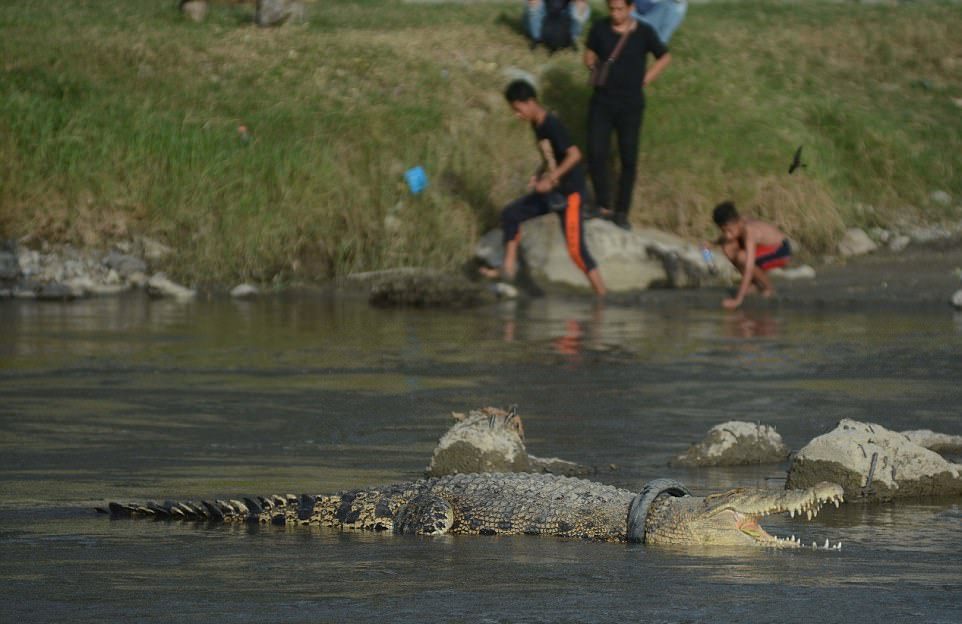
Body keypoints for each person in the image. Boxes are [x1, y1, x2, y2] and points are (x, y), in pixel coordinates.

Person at [481, 80, 607, 297]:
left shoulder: (552, 125)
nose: (517, 115)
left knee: (576, 251)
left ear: (530, 102)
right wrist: (540, 174)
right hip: (554, 192)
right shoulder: (537, 124)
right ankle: (508, 268)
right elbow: (552, 157)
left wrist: (551, 179)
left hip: (571, 194)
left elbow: (574, 155)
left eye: (518, 110)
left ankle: (602, 296)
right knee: (511, 214)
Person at [584, 0, 671, 230]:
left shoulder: (644, 32)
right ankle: (603, 204)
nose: (615, 13)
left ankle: (622, 211)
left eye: (620, 9)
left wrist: (645, 78)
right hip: (602, 101)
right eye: (611, 8)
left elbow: (664, 56)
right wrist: (592, 65)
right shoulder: (599, 28)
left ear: (631, 8)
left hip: (630, 105)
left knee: (628, 158)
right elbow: (589, 51)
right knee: (595, 151)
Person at [711, 201, 792, 310]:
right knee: (728, 247)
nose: (727, 235)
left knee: (742, 257)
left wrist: (738, 300)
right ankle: (754, 284)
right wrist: (712, 243)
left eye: (728, 230)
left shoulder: (749, 231)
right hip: (763, 248)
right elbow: (728, 237)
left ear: (736, 222)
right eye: (723, 231)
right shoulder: (738, 223)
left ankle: (769, 288)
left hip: (781, 251)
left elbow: (749, 266)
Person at [523, 0, 592, 46]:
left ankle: (571, 38)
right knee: (534, 2)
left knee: (580, 5)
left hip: (564, 16)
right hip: (541, 15)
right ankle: (536, 38)